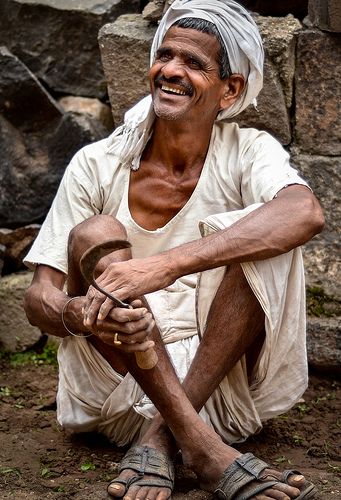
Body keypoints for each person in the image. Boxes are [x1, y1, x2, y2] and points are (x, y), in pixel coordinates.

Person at [24, 1, 324, 498]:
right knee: (97, 231)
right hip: (116, 387)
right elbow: (39, 297)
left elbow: (305, 213)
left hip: (222, 395)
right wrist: (80, 313)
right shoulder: (97, 163)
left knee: (269, 227)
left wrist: (164, 267)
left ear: (230, 89)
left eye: (194, 63)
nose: (171, 71)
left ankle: (166, 439)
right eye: (165, 55)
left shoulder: (249, 150)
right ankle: (204, 451)